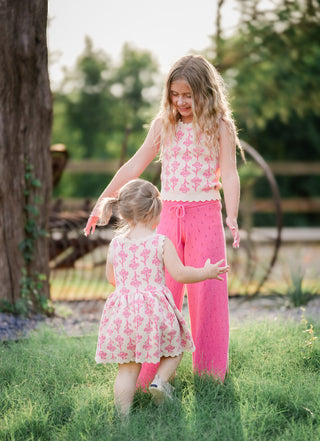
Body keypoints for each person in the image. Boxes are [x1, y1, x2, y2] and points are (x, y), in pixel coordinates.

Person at [85, 54, 241, 387]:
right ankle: (146, 378)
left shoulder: (220, 125)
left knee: (208, 293)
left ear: (205, 92)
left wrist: (233, 215)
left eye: (188, 95)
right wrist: (103, 200)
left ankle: (210, 377)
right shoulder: (163, 124)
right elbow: (133, 166)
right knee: (158, 292)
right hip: (168, 215)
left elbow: (229, 172)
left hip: (206, 216)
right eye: (175, 94)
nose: (181, 102)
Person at [94, 179, 229, 417]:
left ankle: (123, 420)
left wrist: (129, 288)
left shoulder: (115, 245)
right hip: (153, 312)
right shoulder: (161, 242)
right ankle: (160, 381)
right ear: (157, 212)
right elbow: (181, 274)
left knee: (126, 370)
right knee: (175, 349)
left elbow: (110, 278)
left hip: (123, 314)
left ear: (124, 214)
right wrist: (206, 272)